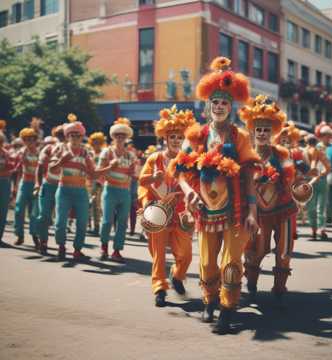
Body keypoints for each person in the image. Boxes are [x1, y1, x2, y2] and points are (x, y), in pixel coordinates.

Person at [174, 57, 259, 334]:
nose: (220, 106)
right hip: (205, 209)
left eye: (224, 102)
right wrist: (188, 191)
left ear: (231, 106)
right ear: (208, 106)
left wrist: (252, 211)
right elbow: (178, 169)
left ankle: (227, 308)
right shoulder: (196, 135)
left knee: (231, 263)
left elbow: (249, 176)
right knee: (208, 263)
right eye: (215, 102)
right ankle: (209, 300)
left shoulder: (240, 136)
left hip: (235, 210)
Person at [240, 95, 297, 306]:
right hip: (258, 213)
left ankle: (280, 287)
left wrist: (285, 180)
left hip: (284, 209)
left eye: (266, 130)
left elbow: (291, 177)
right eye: (258, 130)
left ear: (271, 132)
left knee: (285, 249)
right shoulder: (246, 155)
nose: (262, 133)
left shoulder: (281, 153)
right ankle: (251, 283)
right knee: (256, 249)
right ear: (253, 132)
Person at [138, 105, 196, 307]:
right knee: (159, 255)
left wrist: (191, 207)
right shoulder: (155, 159)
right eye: (172, 137)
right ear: (165, 138)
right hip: (159, 213)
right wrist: (152, 178)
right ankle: (160, 289)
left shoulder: (188, 161)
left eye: (179, 137)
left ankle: (178, 276)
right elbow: (142, 181)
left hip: (181, 214)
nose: (176, 140)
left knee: (186, 254)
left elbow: (195, 186)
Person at [49, 114, 117, 261]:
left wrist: (109, 168)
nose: (75, 137)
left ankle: (77, 250)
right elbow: (51, 170)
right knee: (60, 222)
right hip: (64, 190)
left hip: (81, 191)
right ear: (67, 136)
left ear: (82, 137)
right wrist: (62, 161)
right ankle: (61, 246)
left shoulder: (85, 152)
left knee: (82, 222)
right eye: (72, 135)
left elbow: (92, 174)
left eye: (78, 135)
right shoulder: (60, 149)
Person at [97, 118, 136, 262]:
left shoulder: (130, 155)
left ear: (126, 138)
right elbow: (98, 171)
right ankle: (104, 248)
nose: (120, 138)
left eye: (123, 136)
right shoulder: (106, 152)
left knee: (122, 222)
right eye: (117, 135)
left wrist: (133, 175)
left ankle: (117, 251)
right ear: (113, 137)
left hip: (124, 191)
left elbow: (134, 174)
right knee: (107, 221)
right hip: (110, 190)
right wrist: (109, 169)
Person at [33, 126, 65, 255]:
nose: (62, 138)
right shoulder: (48, 148)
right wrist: (37, 184)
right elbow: (39, 168)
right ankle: (43, 242)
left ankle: (61, 245)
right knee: (43, 216)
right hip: (48, 185)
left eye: (64, 136)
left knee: (60, 219)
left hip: (64, 188)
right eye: (59, 136)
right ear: (55, 136)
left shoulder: (73, 150)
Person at [13, 128, 40, 248]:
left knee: (34, 213)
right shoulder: (21, 152)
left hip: (36, 184)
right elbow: (17, 170)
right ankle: (19, 235)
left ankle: (35, 236)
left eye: (31, 139)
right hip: (24, 183)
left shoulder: (40, 152)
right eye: (26, 139)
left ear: (35, 140)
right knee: (19, 209)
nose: (29, 141)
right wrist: (15, 186)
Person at [303, 134, 331, 240]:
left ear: (307, 142)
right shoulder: (320, 153)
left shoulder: (302, 152)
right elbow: (328, 167)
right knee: (321, 207)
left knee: (311, 207)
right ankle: (321, 229)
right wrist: (321, 175)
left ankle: (314, 230)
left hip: (308, 182)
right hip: (321, 181)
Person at [87, 132, 107, 236]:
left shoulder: (104, 153)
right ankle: (89, 225)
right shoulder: (89, 153)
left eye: (99, 142)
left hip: (99, 183)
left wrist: (100, 181)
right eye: (94, 142)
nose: (96, 144)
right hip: (88, 181)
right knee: (88, 204)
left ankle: (97, 226)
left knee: (97, 205)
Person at [0, 125, 15, 245]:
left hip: (4, 182)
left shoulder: (6, 153)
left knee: (2, 210)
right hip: (4, 181)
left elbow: (12, 166)